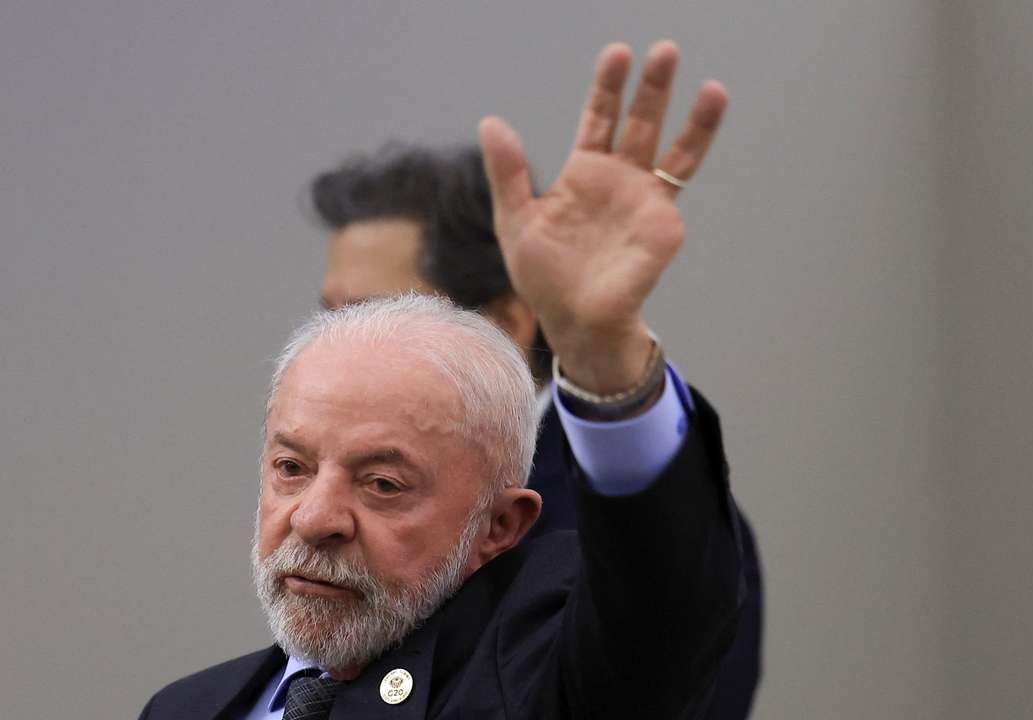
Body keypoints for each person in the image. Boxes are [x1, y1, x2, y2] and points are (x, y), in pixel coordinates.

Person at [141, 40, 746, 719]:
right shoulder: (183, 707)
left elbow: (657, 625)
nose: (313, 518)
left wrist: (601, 351)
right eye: (290, 467)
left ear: (500, 525)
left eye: (383, 483)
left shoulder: (542, 655)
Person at [309, 84, 762, 720]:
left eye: (375, 315)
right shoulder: (316, 506)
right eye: (328, 317)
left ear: (503, 323)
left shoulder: (625, 532)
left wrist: (605, 358)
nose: (333, 347)